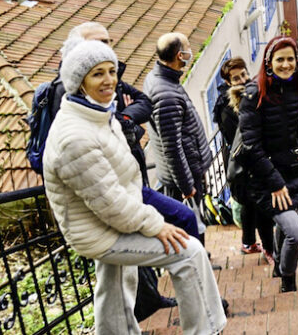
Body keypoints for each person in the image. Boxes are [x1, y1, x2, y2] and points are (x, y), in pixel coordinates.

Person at [43, 40, 226, 335]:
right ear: (79, 82)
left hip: (106, 221)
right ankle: (207, 330)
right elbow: (111, 203)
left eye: (112, 71)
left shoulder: (97, 113)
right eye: (97, 74)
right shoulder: (75, 136)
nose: (109, 80)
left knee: (115, 283)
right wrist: (156, 225)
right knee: (188, 251)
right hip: (100, 231)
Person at [54, 23, 191, 318]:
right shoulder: (70, 102)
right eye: (98, 43)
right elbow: (105, 195)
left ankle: (141, 309)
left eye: (108, 42)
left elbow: (143, 103)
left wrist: (123, 117)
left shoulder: (104, 84)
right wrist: (155, 224)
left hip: (124, 188)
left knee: (114, 283)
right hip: (104, 208)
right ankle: (200, 318)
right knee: (185, 241)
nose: (106, 49)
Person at [235, 36, 298, 293]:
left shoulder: (294, 89)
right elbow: (250, 147)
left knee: (286, 228)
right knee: (296, 232)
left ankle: (281, 266)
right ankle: (287, 277)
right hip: (266, 181)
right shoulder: (254, 94)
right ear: (269, 62)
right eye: (280, 59)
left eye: (291, 59)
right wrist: (276, 183)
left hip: (293, 174)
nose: (286, 64)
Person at [144, 33, 213, 234]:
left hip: (187, 171)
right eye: (188, 48)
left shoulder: (161, 79)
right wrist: (186, 185)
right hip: (185, 176)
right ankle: (196, 263)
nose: (191, 51)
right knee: (190, 224)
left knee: (192, 221)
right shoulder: (166, 95)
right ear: (179, 55)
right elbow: (172, 147)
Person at [213, 56, 271, 256]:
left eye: (244, 74)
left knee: (250, 203)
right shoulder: (226, 106)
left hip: (251, 156)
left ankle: (248, 242)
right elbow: (237, 136)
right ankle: (262, 245)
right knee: (253, 202)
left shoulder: (250, 92)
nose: (243, 80)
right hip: (243, 160)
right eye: (236, 78)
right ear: (228, 82)